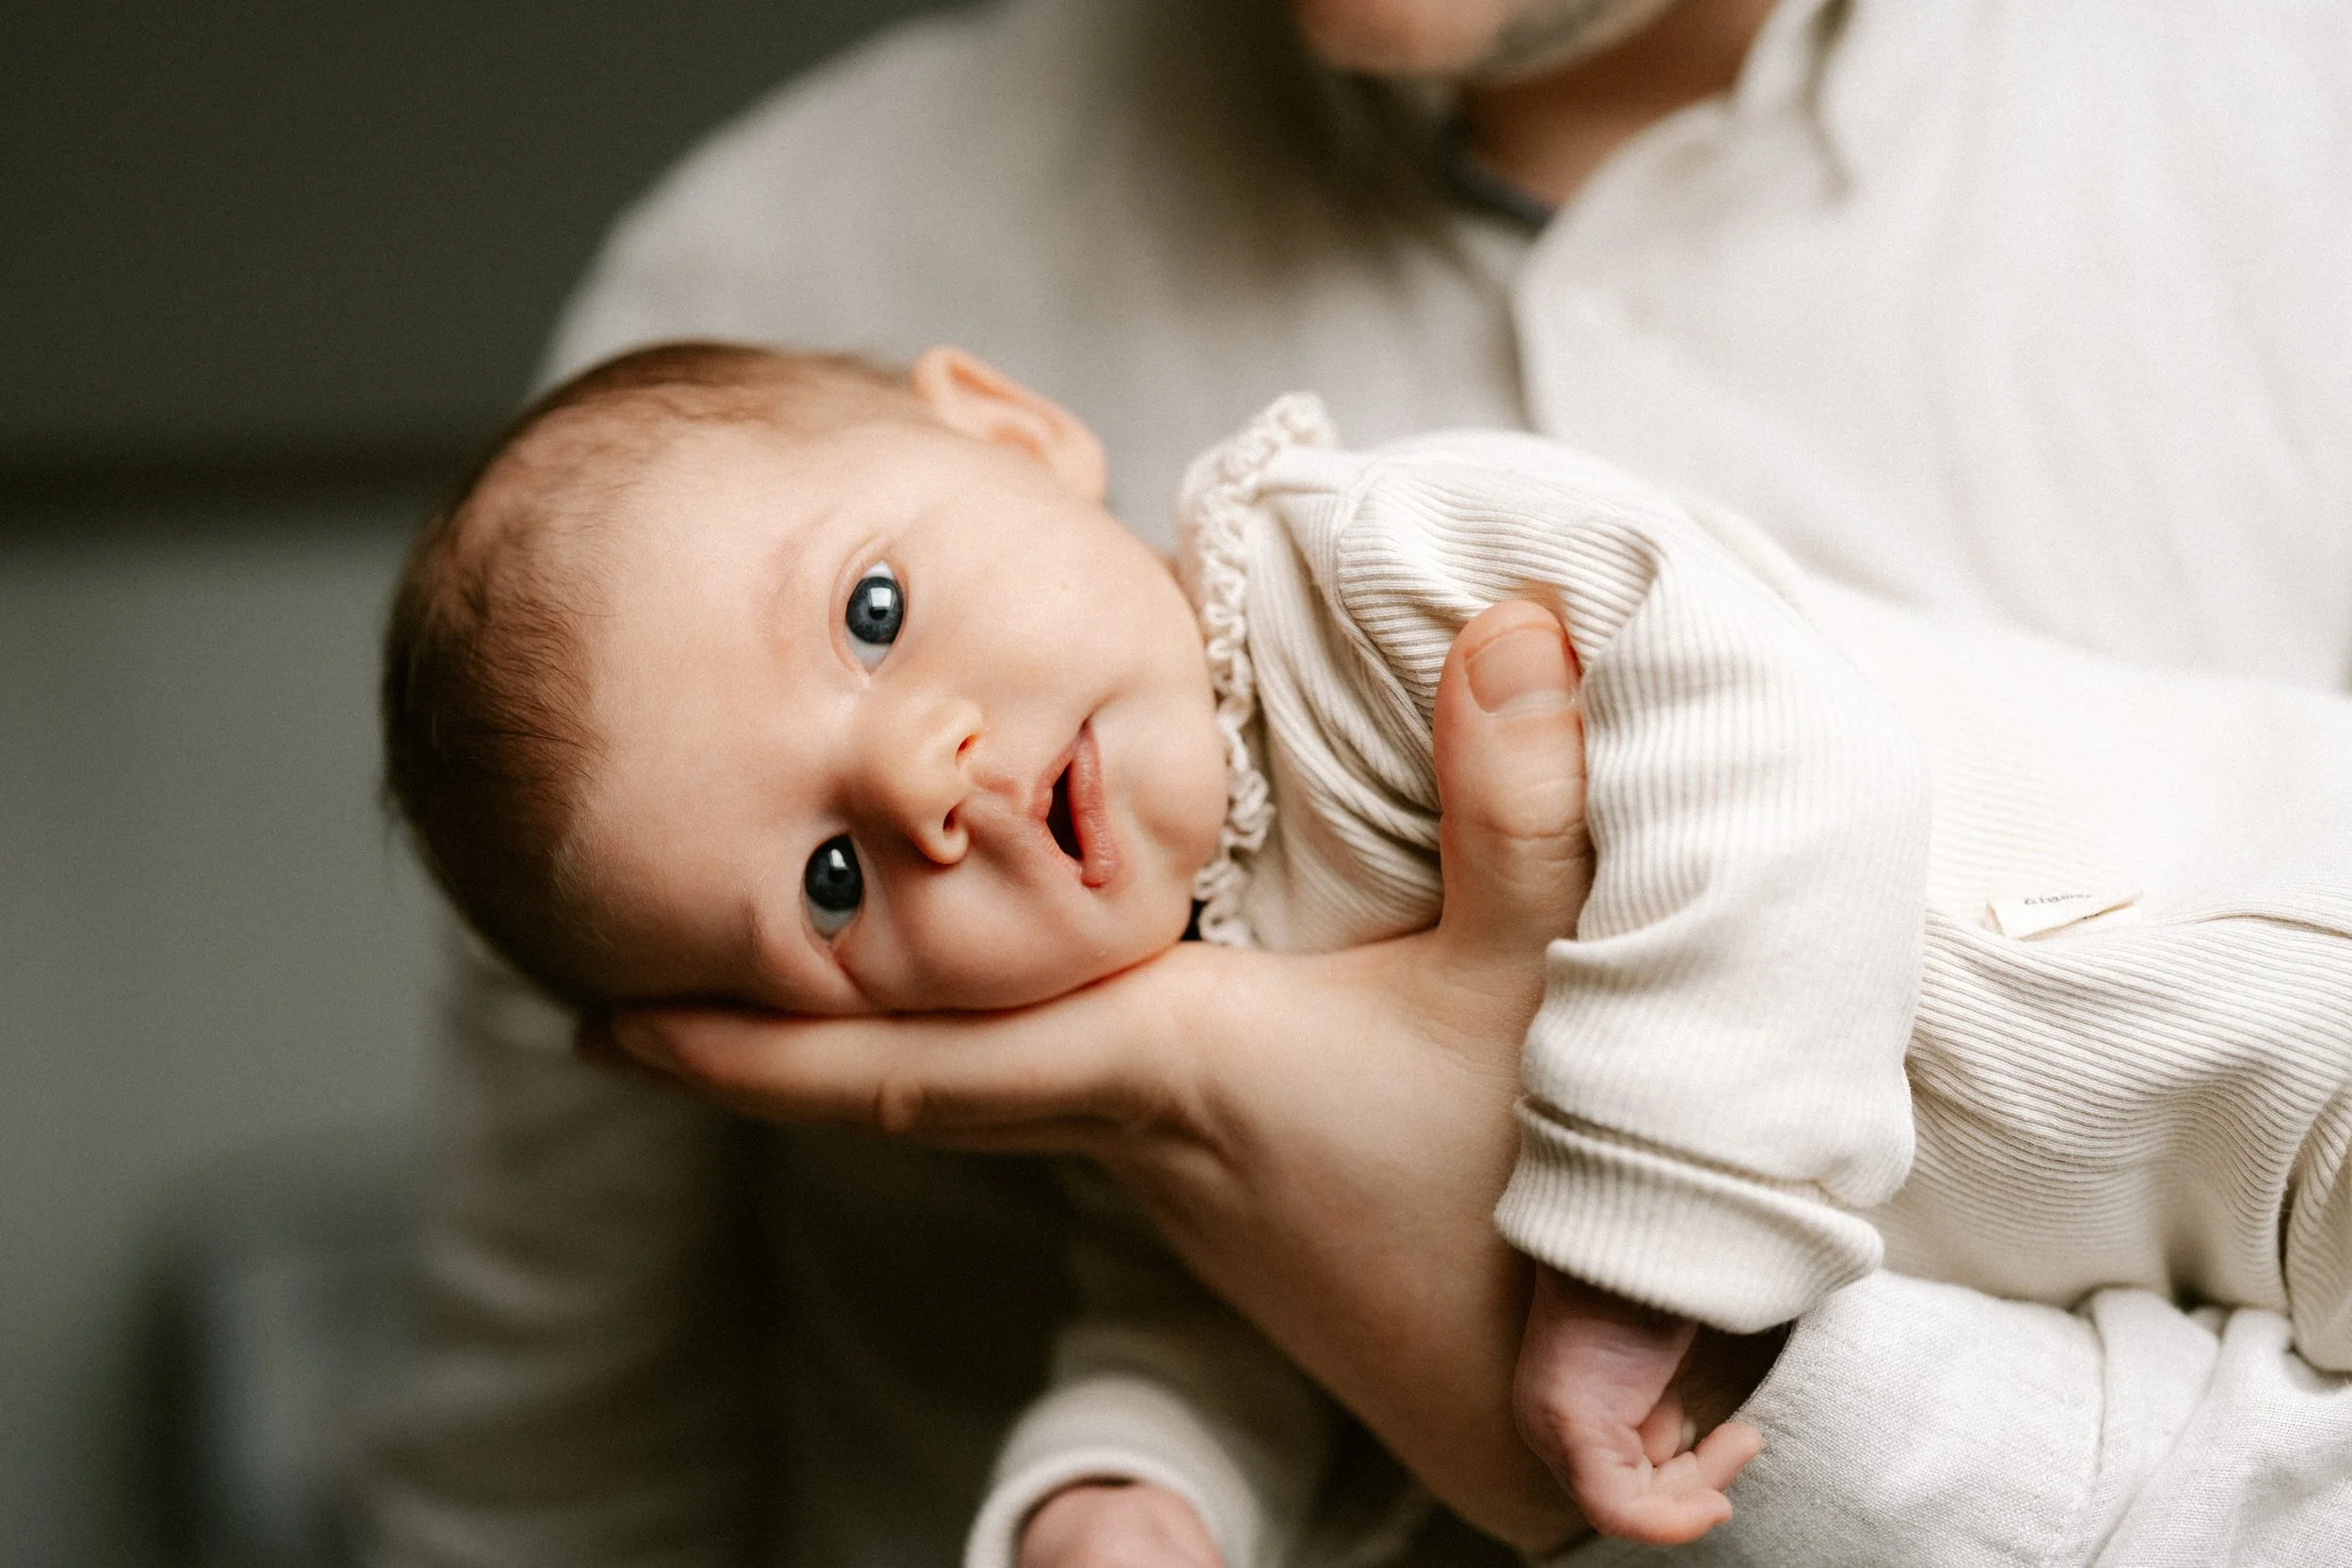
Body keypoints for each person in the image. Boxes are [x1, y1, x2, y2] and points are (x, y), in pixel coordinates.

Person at [362, 0, 2352, 1564]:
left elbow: (1773, 752)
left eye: (877, 611)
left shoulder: (1365, 562)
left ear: (1014, 427)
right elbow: (1212, 1303)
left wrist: (1603, 1275)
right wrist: (1120, 1491)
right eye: (819, 884)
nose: (922, 781)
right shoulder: (728, 322)